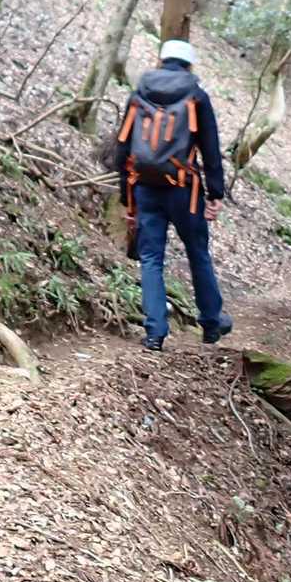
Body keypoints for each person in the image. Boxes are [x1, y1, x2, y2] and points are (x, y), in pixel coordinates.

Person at [112, 39, 234, 352]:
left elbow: (123, 149)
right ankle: (211, 323)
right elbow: (210, 149)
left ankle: (155, 332)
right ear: (189, 65)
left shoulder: (139, 95)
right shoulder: (197, 96)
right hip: (183, 190)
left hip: (145, 187)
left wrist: (127, 198)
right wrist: (216, 193)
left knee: (151, 258)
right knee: (197, 251)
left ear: (161, 60)